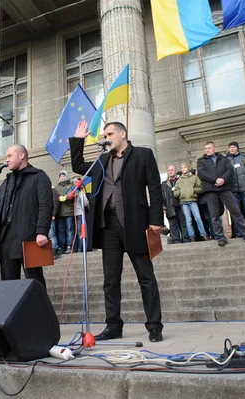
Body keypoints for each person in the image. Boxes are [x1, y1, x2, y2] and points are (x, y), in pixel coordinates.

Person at [70, 120, 164, 342]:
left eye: (110, 133)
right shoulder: (102, 160)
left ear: (123, 134)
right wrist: (79, 139)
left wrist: (156, 219)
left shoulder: (143, 155)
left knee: (146, 277)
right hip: (108, 227)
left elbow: (155, 188)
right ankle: (113, 326)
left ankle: (154, 326)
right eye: (105, 134)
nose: (106, 137)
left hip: (135, 224)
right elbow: (78, 165)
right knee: (110, 280)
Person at [0, 145, 53, 288]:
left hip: (29, 236)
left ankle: (39, 310)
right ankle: (12, 310)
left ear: (22, 155)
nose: (7, 160)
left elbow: (46, 205)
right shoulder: (6, 181)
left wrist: (41, 231)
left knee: (34, 278)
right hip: (6, 238)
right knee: (8, 283)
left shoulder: (38, 176)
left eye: (10, 156)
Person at [197, 141, 245, 247]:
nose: (207, 150)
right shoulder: (201, 161)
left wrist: (223, 179)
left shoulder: (224, 159)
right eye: (206, 148)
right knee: (214, 214)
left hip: (224, 188)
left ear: (215, 148)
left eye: (209, 148)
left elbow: (229, 171)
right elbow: (202, 173)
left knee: (236, 211)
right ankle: (220, 237)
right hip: (210, 190)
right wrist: (215, 180)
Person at [226, 142, 245, 236]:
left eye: (234, 147)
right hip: (233, 189)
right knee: (236, 212)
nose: (232, 149)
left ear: (237, 148)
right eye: (230, 147)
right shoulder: (226, 160)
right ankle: (239, 232)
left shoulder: (244, 158)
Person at [173, 163, 209, 241]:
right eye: (182, 168)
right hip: (183, 201)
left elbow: (200, 188)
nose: (183, 169)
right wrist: (179, 193)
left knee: (198, 218)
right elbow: (176, 191)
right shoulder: (179, 180)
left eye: (185, 167)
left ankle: (204, 235)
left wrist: (194, 191)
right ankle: (192, 237)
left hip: (193, 200)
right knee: (188, 220)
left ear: (188, 168)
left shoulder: (195, 178)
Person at [162, 165, 189, 244]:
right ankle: (176, 241)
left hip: (182, 205)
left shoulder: (181, 179)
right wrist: (164, 207)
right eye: (169, 170)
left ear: (175, 170)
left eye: (172, 170)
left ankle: (186, 240)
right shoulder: (164, 184)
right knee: (173, 225)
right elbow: (162, 196)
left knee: (184, 224)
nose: (170, 171)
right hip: (170, 207)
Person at [55, 170, 76, 254]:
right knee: (61, 230)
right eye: (61, 176)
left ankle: (69, 246)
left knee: (70, 229)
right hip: (60, 212)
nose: (62, 177)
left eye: (63, 175)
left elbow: (74, 196)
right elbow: (55, 198)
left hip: (69, 211)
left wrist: (66, 198)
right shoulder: (56, 188)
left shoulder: (71, 186)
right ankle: (61, 247)